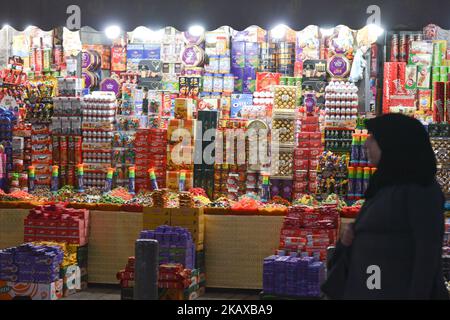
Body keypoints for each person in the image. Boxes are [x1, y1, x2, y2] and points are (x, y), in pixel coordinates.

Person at [322, 113, 449, 300]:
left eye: (373, 138)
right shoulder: (383, 185)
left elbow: (426, 258)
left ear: (393, 145)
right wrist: (347, 240)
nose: (366, 144)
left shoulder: (421, 191)